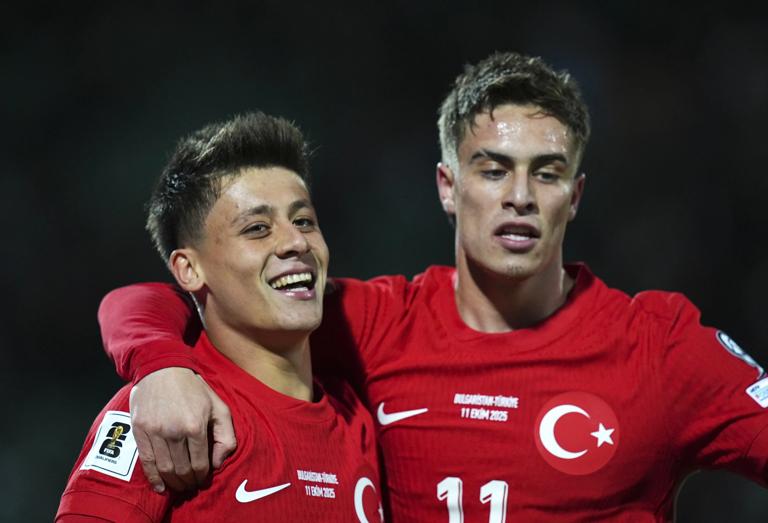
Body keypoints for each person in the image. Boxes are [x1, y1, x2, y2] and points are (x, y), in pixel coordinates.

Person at [97, 53, 768, 521]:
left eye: (547, 172)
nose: (519, 198)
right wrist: (159, 367)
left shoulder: (659, 345)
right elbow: (158, 298)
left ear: (576, 193)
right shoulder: (370, 326)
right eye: (492, 169)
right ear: (448, 186)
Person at [57, 112, 383, 522]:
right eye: (258, 229)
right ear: (189, 270)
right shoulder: (166, 417)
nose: (296, 241)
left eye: (303, 221)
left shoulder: (359, 422)